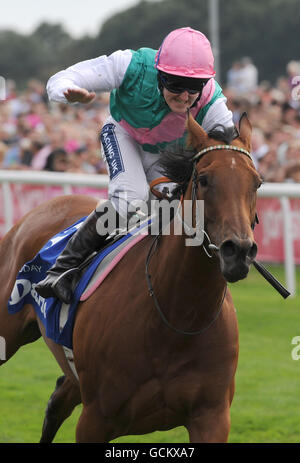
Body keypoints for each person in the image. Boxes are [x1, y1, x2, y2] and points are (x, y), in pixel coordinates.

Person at [36, 26, 235, 304]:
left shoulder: (212, 100)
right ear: (159, 74)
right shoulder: (131, 65)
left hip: (167, 156)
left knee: (189, 212)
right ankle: (62, 269)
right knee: (131, 200)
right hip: (124, 135)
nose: (185, 96)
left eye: (194, 87)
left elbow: (231, 151)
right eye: (175, 85)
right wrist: (67, 92)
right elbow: (63, 78)